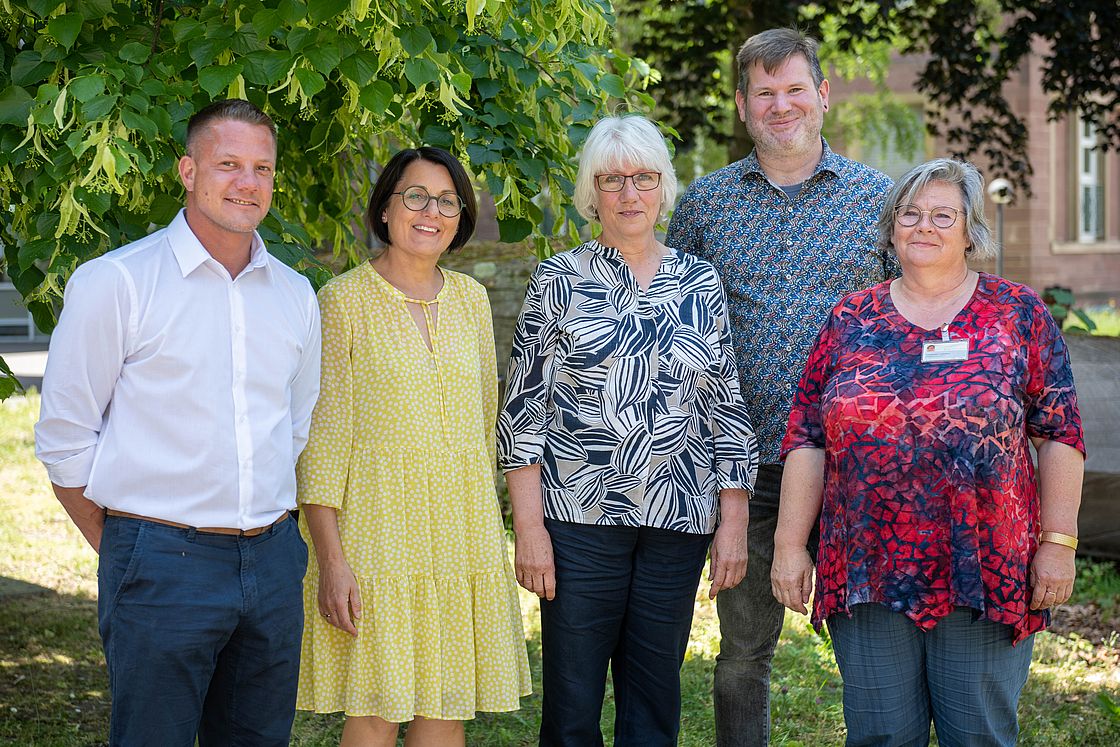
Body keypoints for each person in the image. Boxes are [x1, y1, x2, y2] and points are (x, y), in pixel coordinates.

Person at [34, 99, 322, 745]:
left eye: (262, 168)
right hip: (162, 560)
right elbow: (64, 439)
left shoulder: (295, 295)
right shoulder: (117, 282)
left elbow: (293, 426)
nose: (247, 182)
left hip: (273, 561)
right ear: (188, 171)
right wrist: (129, 549)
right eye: (228, 163)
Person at [773, 158, 1085, 746]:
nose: (925, 226)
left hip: (985, 566)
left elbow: (1061, 433)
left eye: (944, 215)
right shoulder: (848, 319)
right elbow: (807, 438)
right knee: (880, 736)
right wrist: (790, 546)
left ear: (971, 230)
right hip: (865, 567)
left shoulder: (1017, 314)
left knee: (979, 736)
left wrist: (1058, 544)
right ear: (891, 229)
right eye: (910, 214)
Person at [665, 27, 898, 746]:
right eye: (764, 93)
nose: (781, 104)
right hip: (745, 464)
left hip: (858, 461)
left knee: (875, 652)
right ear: (742, 106)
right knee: (742, 653)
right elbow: (676, 329)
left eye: (795, 89)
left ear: (823, 96)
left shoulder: (882, 200)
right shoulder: (705, 206)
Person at [498, 114, 758, 747]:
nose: (629, 194)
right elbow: (522, 414)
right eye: (612, 180)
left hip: (678, 522)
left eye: (643, 178)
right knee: (572, 701)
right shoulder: (558, 280)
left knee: (653, 701)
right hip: (578, 522)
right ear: (591, 193)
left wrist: (734, 521)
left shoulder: (699, 282)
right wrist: (528, 530)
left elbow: (725, 406)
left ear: (663, 186)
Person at [295, 146, 531, 746]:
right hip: (375, 537)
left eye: (447, 201)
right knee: (376, 710)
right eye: (416, 197)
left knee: (444, 707)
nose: (432, 212)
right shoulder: (342, 301)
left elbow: (483, 424)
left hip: (459, 534)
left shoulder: (473, 301)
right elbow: (320, 444)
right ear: (385, 209)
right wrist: (331, 560)